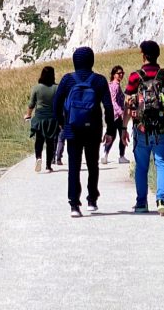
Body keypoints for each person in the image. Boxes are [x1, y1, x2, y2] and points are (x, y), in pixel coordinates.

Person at [54, 46, 116, 218]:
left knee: (74, 166)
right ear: (91, 61)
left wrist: (61, 123)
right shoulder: (99, 80)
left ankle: (74, 204)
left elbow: (56, 103)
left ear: (75, 61)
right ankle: (92, 199)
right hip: (93, 129)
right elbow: (108, 107)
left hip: (72, 128)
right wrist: (110, 129)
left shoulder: (67, 80)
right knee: (92, 164)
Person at [125, 40, 164, 216]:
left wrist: (124, 126)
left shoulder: (135, 76)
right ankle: (161, 200)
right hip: (161, 128)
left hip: (141, 128)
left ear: (143, 55)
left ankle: (141, 203)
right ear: (158, 55)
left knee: (141, 166)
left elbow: (128, 103)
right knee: (162, 163)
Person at [24, 66, 59, 173]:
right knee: (50, 142)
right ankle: (48, 166)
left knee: (39, 140)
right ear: (53, 75)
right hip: (52, 118)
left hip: (40, 117)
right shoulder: (57, 88)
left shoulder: (36, 88)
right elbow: (60, 104)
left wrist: (28, 115)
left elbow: (31, 104)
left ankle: (38, 157)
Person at [101, 65, 131, 165]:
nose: (121, 75)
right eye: (119, 73)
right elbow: (113, 101)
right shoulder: (115, 85)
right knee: (122, 133)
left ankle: (105, 154)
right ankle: (121, 156)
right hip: (117, 115)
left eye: (122, 73)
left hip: (111, 114)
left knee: (111, 134)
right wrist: (121, 112)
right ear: (114, 75)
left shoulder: (111, 85)